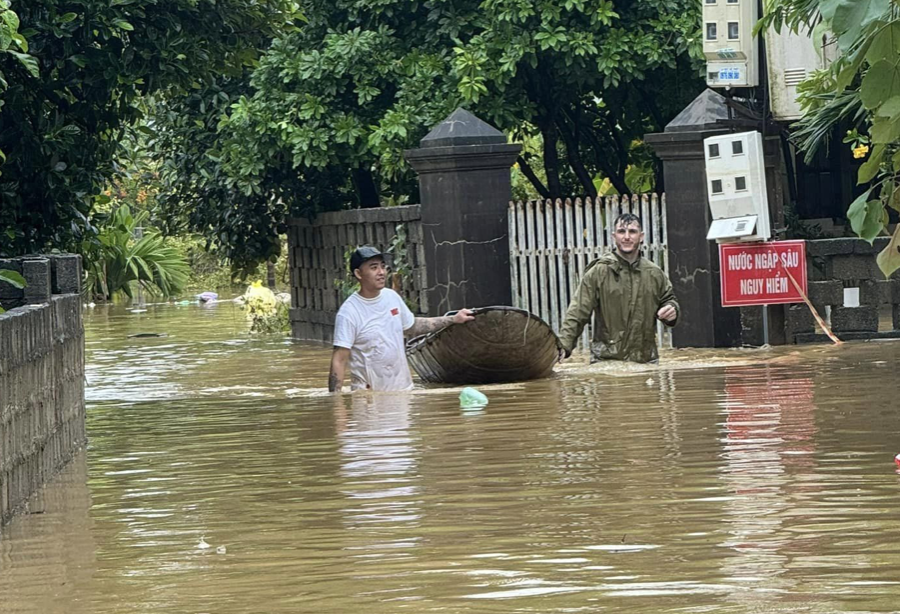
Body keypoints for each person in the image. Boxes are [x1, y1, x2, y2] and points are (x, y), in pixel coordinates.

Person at [328, 246, 474, 392]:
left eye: (383, 267)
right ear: (358, 273)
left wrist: (453, 319)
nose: (381, 272)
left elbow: (412, 326)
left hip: (403, 392)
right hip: (369, 398)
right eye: (374, 268)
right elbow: (339, 360)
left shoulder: (392, 297)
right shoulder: (349, 312)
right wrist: (335, 400)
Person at [557, 213, 678, 364]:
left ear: (641, 236)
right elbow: (577, 312)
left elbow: (669, 299)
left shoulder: (654, 273)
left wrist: (672, 310)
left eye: (632, 231)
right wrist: (564, 346)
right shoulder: (599, 272)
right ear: (614, 236)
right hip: (606, 362)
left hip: (646, 362)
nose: (626, 237)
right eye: (621, 231)